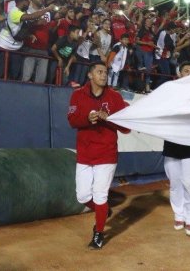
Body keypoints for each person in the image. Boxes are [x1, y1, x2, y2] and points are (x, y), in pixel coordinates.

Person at [67, 62, 130, 249]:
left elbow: (126, 128)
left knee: (100, 195)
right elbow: (72, 121)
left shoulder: (115, 97)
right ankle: (103, 211)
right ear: (90, 75)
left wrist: (108, 118)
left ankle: (98, 233)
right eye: (99, 72)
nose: (104, 75)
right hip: (85, 153)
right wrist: (88, 118)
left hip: (106, 153)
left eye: (106, 72)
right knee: (82, 196)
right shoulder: (78, 95)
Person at [162, 61, 190, 237]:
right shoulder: (169, 90)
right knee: (175, 183)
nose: (189, 73)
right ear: (179, 74)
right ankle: (179, 214)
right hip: (172, 143)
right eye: (186, 70)